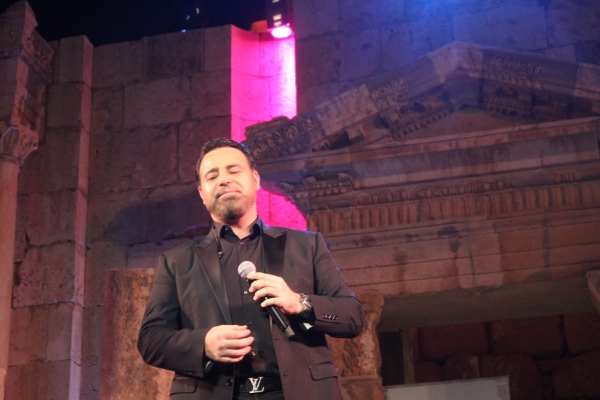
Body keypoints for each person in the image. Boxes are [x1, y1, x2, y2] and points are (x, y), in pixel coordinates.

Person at [138, 138, 365, 400]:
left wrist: (299, 302)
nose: (224, 180)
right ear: (201, 193)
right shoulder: (176, 261)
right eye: (212, 176)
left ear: (255, 179)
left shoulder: (306, 245)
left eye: (233, 170)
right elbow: (151, 340)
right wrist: (204, 344)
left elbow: (353, 316)